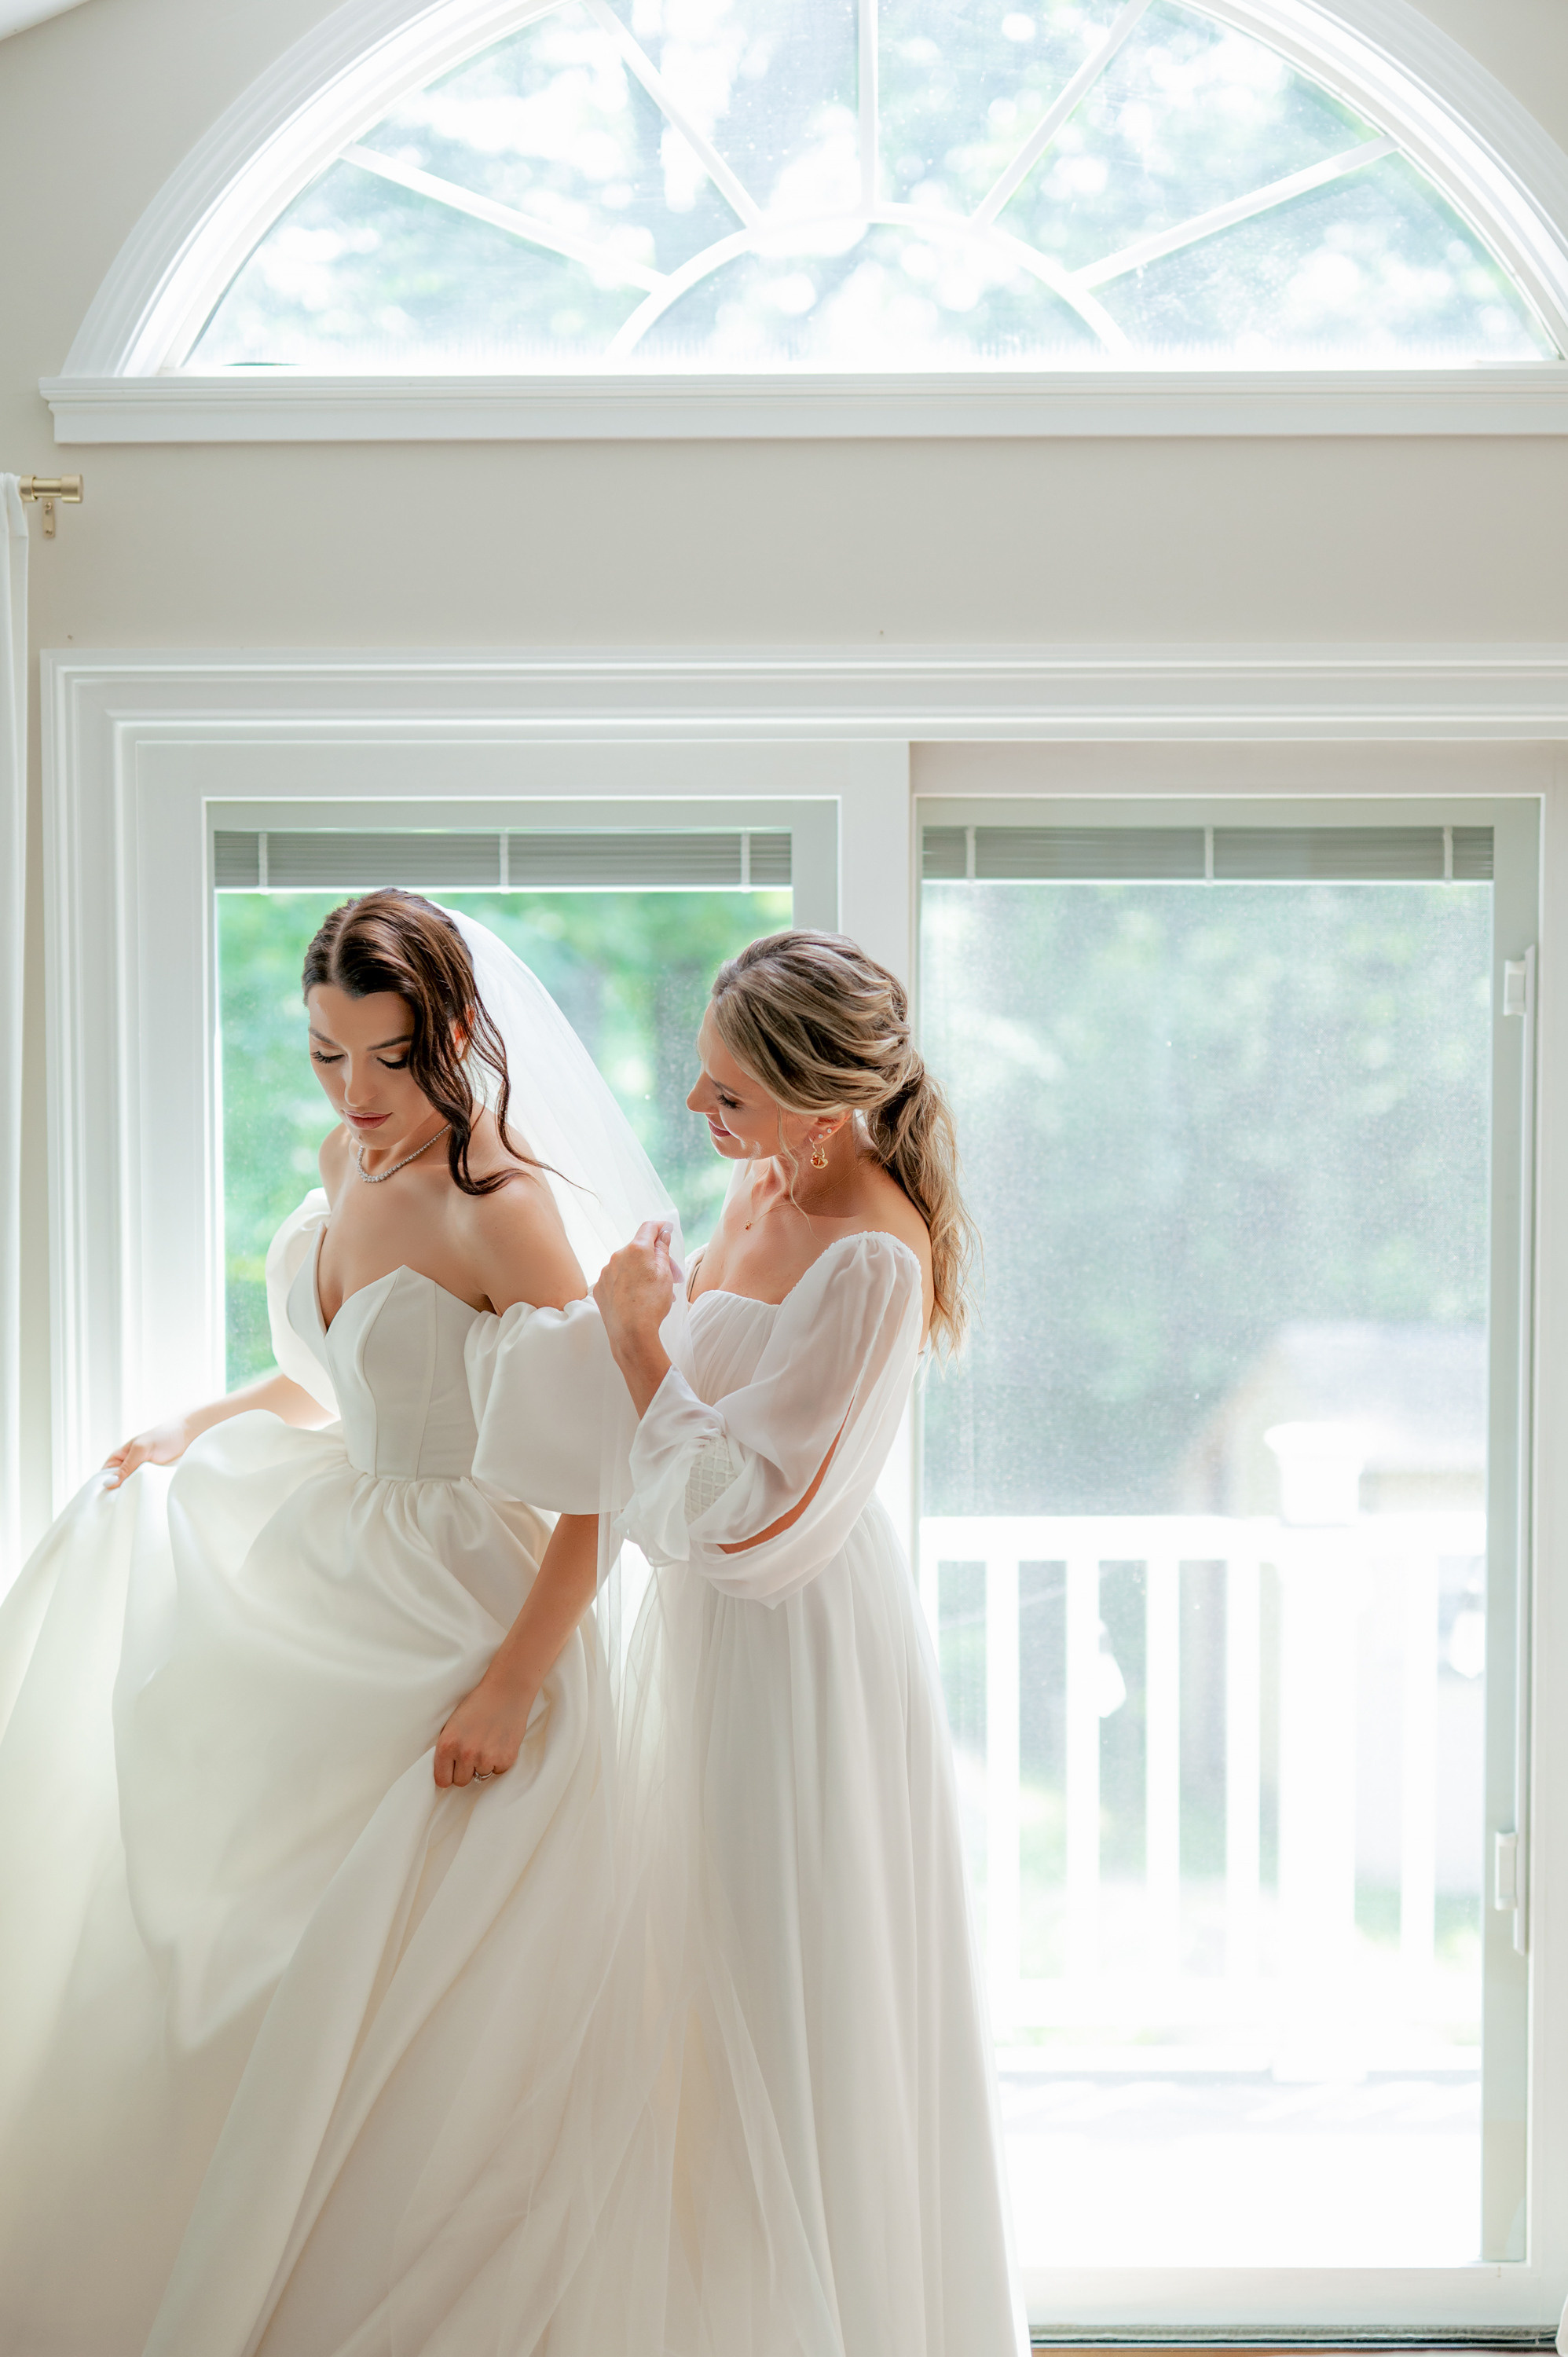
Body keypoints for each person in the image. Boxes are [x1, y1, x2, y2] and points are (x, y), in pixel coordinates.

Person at [0, 890, 658, 2357]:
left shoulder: (506, 1212)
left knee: (397, 2006)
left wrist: (510, 1687)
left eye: (388, 1059)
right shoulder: (341, 1162)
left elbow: (601, 1482)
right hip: (338, 1569)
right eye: (324, 1058)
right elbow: (347, 1374)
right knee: (223, 1958)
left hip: (464, 1612)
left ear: (459, 1039)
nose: (357, 1098)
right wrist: (204, 1416)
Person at [586, 929, 1027, 2356]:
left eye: (728, 1097)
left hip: (790, 1651)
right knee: (683, 1973)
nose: (701, 1120)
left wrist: (643, 1343)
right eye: (702, 1084)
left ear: (824, 1104)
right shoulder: (761, 1187)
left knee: (777, 1969)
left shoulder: (873, 1264)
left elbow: (756, 1526)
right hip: (704, 1641)